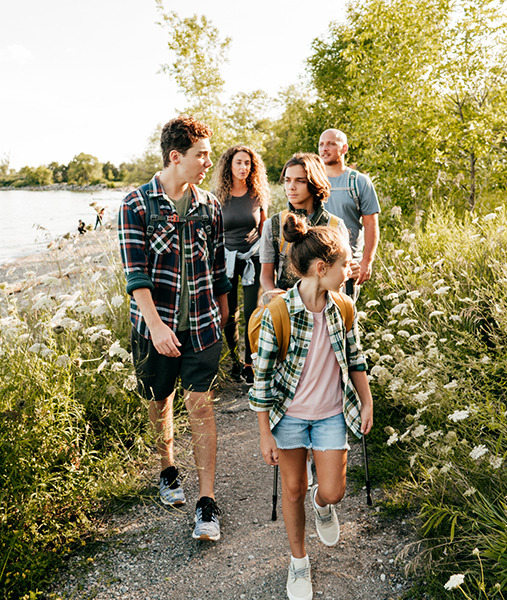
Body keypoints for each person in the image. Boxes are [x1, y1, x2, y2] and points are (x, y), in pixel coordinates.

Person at [118, 115, 232, 541]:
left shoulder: (210, 206)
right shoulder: (136, 205)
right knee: (159, 399)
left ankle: (206, 501)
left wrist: (224, 313)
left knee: (200, 405)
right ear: (176, 156)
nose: (208, 162)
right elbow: (136, 277)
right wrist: (157, 327)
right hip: (154, 328)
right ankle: (168, 469)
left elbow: (218, 267)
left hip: (202, 326)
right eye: (202, 155)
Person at [249, 213, 374, 600]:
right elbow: (263, 379)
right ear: (322, 268)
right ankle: (299, 562)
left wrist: (366, 402)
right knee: (292, 489)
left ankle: (323, 506)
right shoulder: (277, 314)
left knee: (333, 490)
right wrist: (264, 432)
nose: (347, 273)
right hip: (288, 417)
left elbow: (355, 360)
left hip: (331, 414)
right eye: (344, 267)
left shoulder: (343, 307)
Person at [211, 145, 269, 385]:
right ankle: (234, 360)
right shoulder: (216, 196)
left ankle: (249, 363)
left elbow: (264, 230)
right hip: (226, 261)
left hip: (253, 259)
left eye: (247, 163)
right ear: (229, 166)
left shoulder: (258, 194)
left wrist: (269, 262)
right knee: (229, 312)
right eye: (239, 163)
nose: (243, 167)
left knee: (252, 312)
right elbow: (212, 232)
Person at [260, 153, 358, 294]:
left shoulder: (335, 225)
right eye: (287, 180)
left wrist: (351, 274)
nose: (291, 187)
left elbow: (342, 278)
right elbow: (266, 275)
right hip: (286, 307)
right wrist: (276, 297)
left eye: (300, 181)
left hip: (324, 307)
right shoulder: (274, 224)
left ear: (314, 182)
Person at [318, 129, 381, 297]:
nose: (325, 148)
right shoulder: (312, 181)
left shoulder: (359, 182)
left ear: (344, 149)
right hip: (316, 265)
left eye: (331, 144)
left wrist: (366, 261)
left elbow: (371, 224)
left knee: (345, 317)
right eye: (321, 144)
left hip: (347, 266)